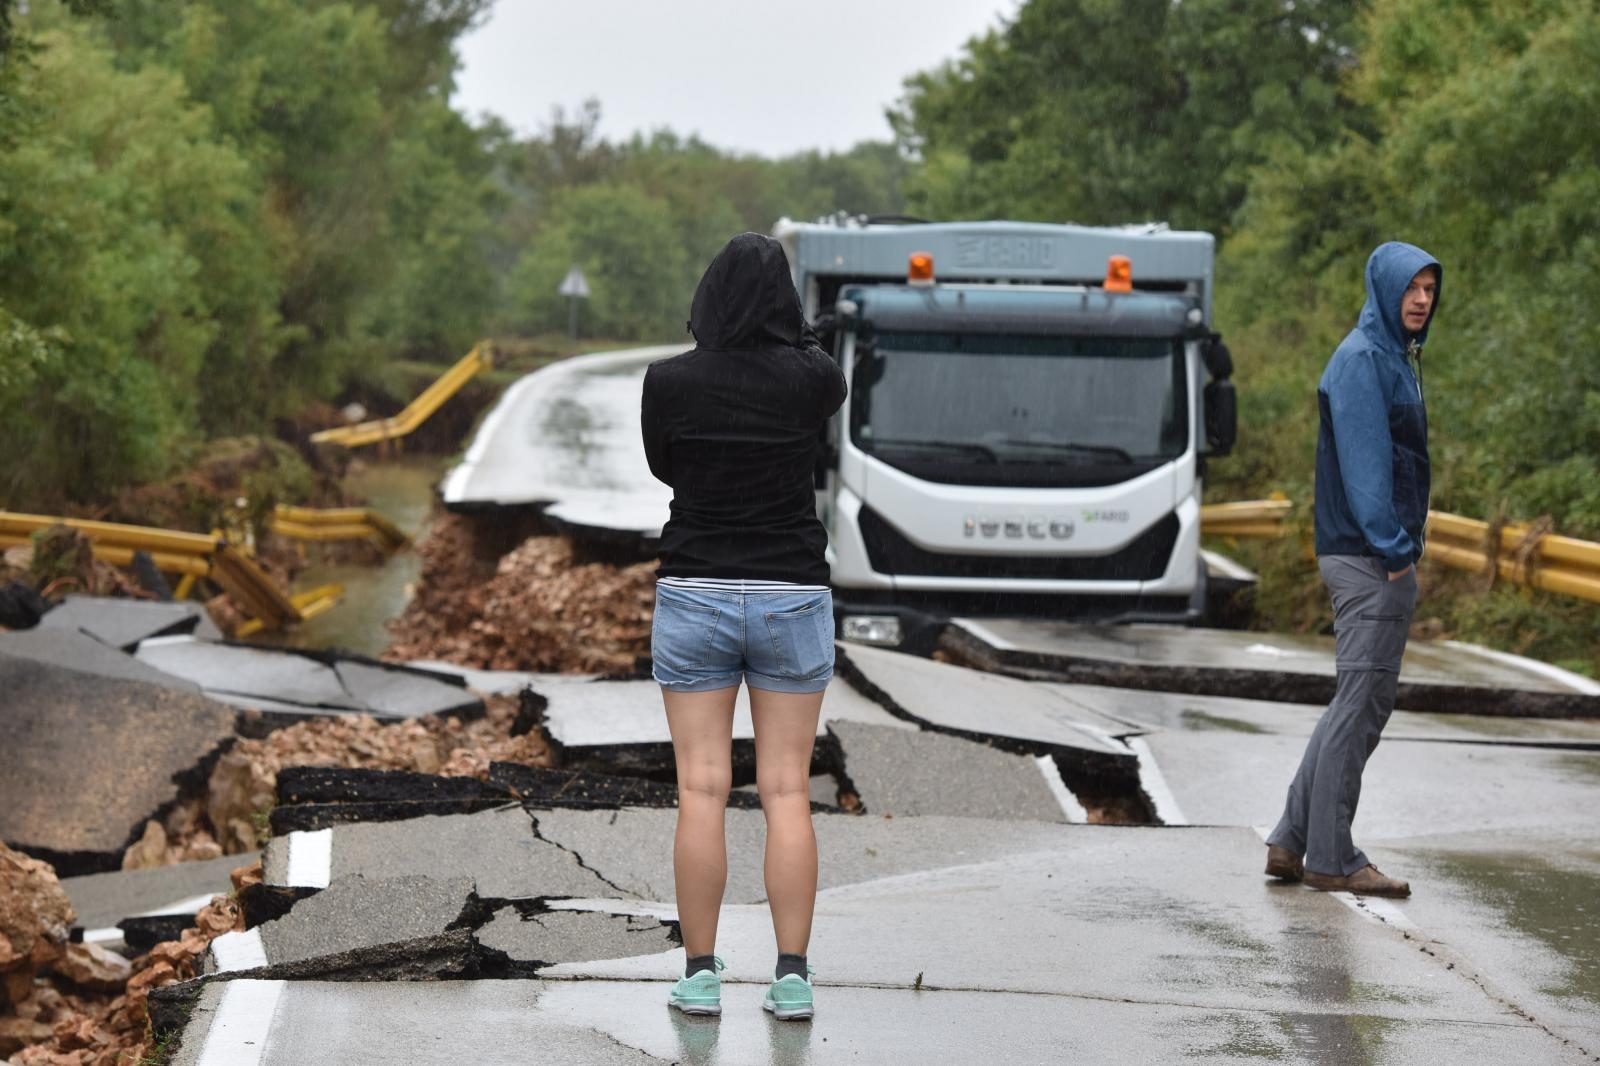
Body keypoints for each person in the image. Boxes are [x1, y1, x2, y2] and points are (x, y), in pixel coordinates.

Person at [640, 232, 847, 1019]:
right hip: (791, 591)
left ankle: (699, 975)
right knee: (786, 788)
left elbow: (664, 465)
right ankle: (791, 977)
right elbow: (817, 361)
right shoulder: (810, 381)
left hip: (695, 588)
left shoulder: (669, 382)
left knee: (701, 788)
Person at [1264, 241, 1441, 899]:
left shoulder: (1391, 357)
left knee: (1351, 700)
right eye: (1411, 288)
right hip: (1370, 557)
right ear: (1384, 290)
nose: (1421, 299)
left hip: (1366, 552)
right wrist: (1395, 552)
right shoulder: (1365, 360)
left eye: (1429, 288)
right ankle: (1333, 858)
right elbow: (1367, 470)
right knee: (1363, 703)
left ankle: (1289, 839)